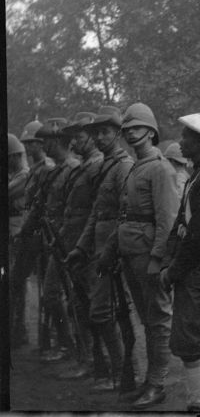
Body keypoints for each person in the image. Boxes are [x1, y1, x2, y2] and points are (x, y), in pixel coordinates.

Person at [99, 102, 179, 409]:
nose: (130, 134)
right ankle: (149, 380)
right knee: (147, 319)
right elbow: (124, 215)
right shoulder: (136, 166)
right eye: (127, 129)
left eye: (137, 128)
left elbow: (167, 221)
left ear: (151, 131)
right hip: (131, 252)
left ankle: (156, 383)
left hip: (148, 254)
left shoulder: (160, 168)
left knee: (157, 319)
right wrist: (113, 249)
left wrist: (158, 259)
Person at [65, 106, 135, 391]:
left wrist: (112, 251)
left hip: (114, 249)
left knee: (109, 313)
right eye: (96, 133)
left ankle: (123, 375)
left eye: (105, 132)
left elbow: (124, 213)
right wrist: (81, 248)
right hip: (98, 247)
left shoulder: (123, 166)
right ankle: (117, 374)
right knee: (101, 311)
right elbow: (95, 213)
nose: (100, 137)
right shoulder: (106, 166)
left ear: (118, 134)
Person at [161, 112, 200, 411]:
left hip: (199, 264)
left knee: (190, 335)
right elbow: (180, 223)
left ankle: (199, 401)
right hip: (194, 262)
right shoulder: (198, 174)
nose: (181, 141)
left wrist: (175, 270)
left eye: (187, 136)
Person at [55, 112, 105, 381]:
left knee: (97, 308)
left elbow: (97, 210)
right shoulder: (85, 167)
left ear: (93, 139)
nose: (74, 144)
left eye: (80, 138)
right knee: (80, 304)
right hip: (76, 244)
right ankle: (91, 363)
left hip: (90, 247)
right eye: (73, 139)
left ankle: (105, 367)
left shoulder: (98, 166)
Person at [36, 118, 81, 363]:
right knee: (54, 294)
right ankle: (68, 345)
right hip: (54, 239)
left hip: (70, 240)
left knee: (72, 296)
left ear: (57, 142)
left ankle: (77, 349)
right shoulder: (53, 171)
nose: (43, 146)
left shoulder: (73, 168)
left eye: (46, 141)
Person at [10, 120, 55, 347]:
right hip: (30, 230)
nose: (29, 147)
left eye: (33, 143)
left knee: (49, 285)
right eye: (27, 143)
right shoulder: (37, 170)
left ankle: (54, 337)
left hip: (43, 232)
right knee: (18, 280)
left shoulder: (47, 168)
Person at [8, 133, 29, 269]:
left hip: (17, 226)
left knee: (15, 272)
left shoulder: (24, 175)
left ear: (15, 156)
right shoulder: (13, 175)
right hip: (11, 225)